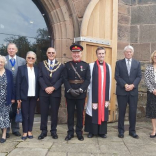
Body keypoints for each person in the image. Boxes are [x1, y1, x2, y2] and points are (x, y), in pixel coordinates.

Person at [63, 43, 90, 141]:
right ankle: (70, 132)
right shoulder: (67, 65)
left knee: (80, 114)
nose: (76, 54)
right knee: (70, 114)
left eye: (78, 52)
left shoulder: (85, 65)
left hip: (80, 93)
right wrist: (69, 89)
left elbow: (87, 80)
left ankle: (79, 132)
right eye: (74, 52)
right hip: (69, 94)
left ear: (81, 53)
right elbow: (65, 79)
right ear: (71, 54)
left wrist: (81, 89)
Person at [115, 45, 142, 139]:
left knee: (133, 112)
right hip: (122, 91)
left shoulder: (137, 63)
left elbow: (139, 76)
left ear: (132, 53)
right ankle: (121, 131)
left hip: (133, 92)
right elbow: (117, 76)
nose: (128, 53)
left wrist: (133, 85)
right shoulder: (119, 63)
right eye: (127, 52)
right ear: (124, 53)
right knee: (121, 111)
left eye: (130, 52)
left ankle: (132, 131)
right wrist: (125, 85)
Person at [85, 47, 111, 138]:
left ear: (105, 54)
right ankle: (92, 131)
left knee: (103, 110)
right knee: (92, 110)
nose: (101, 55)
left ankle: (102, 132)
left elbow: (110, 81)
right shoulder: (91, 65)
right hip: (93, 93)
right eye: (99, 53)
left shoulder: (108, 66)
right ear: (96, 55)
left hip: (104, 94)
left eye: (103, 53)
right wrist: (88, 92)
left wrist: (108, 93)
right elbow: (88, 79)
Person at [38, 47, 64, 140]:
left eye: (53, 52)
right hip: (44, 92)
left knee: (54, 113)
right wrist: (45, 87)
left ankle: (53, 131)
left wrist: (53, 87)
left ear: (55, 54)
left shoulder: (61, 66)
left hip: (55, 92)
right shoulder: (41, 64)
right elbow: (39, 77)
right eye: (49, 52)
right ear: (46, 53)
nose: (51, 54)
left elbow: (61, 79)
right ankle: (43, 131)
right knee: (44, 112)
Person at [16, 51, 39, 140]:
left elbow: (38, 83)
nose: (30, 59)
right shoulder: (21, 68)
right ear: (26, 58)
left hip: (34, 96)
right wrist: (18, 97)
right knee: (25, 114)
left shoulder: (37, 69)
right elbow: (18, 83)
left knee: (32, 114)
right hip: (24, 96)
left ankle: (30, 130)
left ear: (35, 60)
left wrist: (38, 96)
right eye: (29, 58)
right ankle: (25, 131)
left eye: (32, 58)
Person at [5, 43, 26, 138]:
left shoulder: (22, 60)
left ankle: (16, 129)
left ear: (16, 50)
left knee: (16, 109)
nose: (11, 50)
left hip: (18, 88)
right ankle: (7, 130)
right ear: (7, 50)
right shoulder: (3, 59)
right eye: (9, 49)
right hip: (6, 89)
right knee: (7, 110)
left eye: (13, 49)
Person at [0, 55, 15, 143]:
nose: (0, 63)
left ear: (4, 63)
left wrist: (13, 97)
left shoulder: (8, 73)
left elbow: (12, 86)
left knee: (5, 117)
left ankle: (4, 134)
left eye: (1, 61)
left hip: (6, 99)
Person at [144, 51, 156, 138]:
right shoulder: (149, 67)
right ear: (152, 57)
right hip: (152, 92)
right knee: (153, 111)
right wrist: (153, 90)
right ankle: (154, 129)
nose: (155, 58)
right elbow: (146, 80)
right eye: (154, 56)